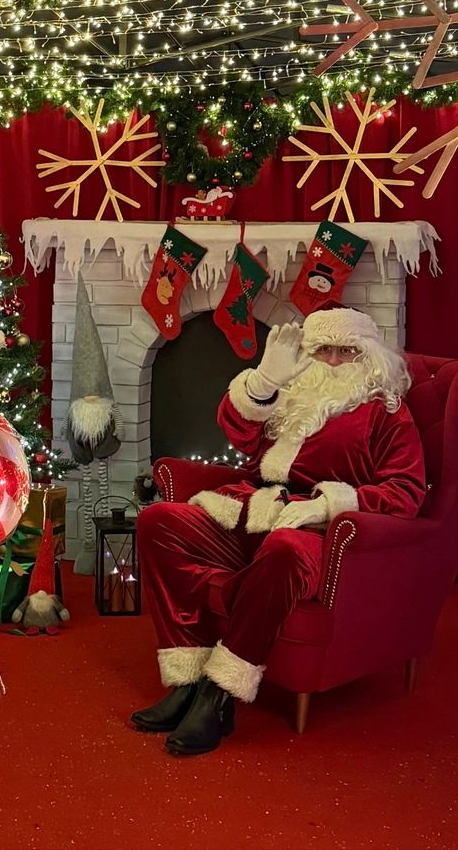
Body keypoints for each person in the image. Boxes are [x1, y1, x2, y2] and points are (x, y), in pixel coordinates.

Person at [131, 307, 425, 756]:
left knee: (284, 551)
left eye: (346, 351)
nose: (333, 361)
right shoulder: (290, 394)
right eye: (322, 350)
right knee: (158, 522)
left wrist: (326, 505)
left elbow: (405, 490)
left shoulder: (385, 412)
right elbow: (239, 433)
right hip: (251, 508)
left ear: (368, 356)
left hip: (319, 530)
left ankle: (218, 693)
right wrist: (264, 382)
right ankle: (187, 680)